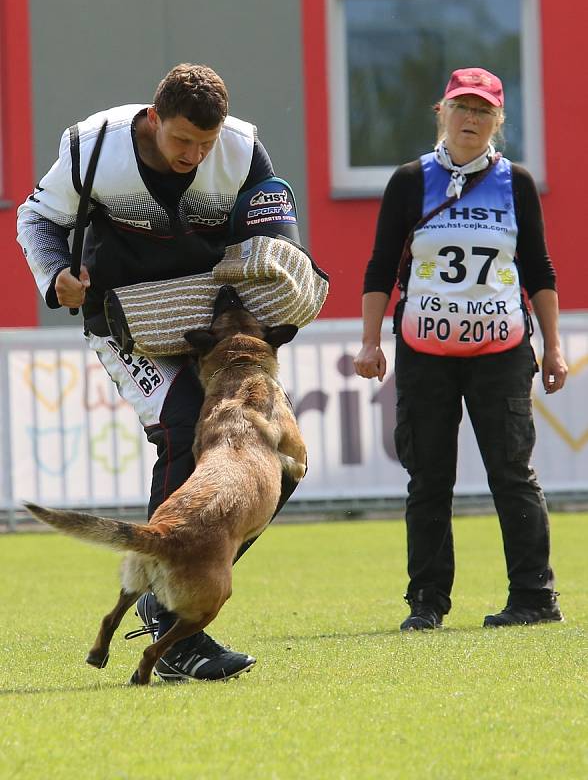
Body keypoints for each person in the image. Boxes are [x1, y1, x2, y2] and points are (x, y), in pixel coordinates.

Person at [17, 63, 301, 680]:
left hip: (210, 324)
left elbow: (277, 240)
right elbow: (37, 220)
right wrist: (53, 279)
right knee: (180, 430)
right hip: (127, 326)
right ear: (152, 119)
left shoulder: (244, 149)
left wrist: (285, 280)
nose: (194, 155)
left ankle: (168, 590)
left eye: (205, 144)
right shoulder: (91, 146)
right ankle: (173, 633)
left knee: (279, 463)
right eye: (181, 142)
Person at [354, 67, 568, 631]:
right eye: (461, 108)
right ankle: (426, 603)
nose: (470, 119)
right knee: (428, 478)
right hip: (424, 353)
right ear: (441, 113)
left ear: (498, 121)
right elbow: (381, 265)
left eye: (483, 111)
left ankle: (534, 598)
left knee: (511, 472)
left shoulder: (516, 182)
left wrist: (554, 348)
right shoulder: (409, 180)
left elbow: (539, 269)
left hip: (502, 352)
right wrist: (370, 340)